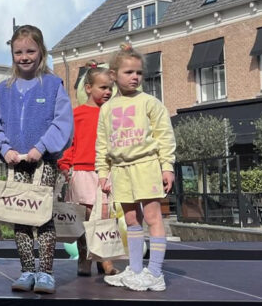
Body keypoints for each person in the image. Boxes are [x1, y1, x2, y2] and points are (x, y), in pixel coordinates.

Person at [0, 24, 74, 295]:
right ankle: (26, 269)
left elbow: (62, 121)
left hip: (44, 161)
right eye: (18, 52)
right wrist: (3, 148)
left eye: (30, 51)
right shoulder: (4, 88)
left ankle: (45, 272)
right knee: (20, 216)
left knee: (42, 214)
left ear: (42, 52)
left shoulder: (52, 85)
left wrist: (42, 146)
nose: (24, 57)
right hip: (15, 162)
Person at [98, 44, 176, 292]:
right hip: (121, 169)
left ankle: (155, 272)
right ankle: (135, 268)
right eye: (129, 72)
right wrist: (103, 172)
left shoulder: (150, 103)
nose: (135, 77)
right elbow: (102, 143)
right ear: (113, 75)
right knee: (131, 219)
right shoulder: (107, 108)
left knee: (153, 217)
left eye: (139, 73)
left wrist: (167, 166)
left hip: (145, 165)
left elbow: (165, 136)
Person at [59, 64, 117, 276]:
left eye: (110, 87)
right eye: (103, 87)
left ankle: (105, 260)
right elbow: (69, 141)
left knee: (105, 216)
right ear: (89, 88)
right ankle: (84, 258)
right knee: (85, 218)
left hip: (106, 171)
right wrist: (65, 165)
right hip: (82, 171)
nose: (108, 92)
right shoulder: (78, 114)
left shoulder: (113, 114)